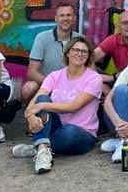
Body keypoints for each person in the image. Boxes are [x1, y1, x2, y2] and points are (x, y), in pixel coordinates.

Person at [12, 36, 103, 174]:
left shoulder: (94, 78)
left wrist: (41, 106)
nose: (79, 54)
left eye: (84, 51)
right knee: (42, 98)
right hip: (56, 127)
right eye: (75, 50)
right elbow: (35, 102)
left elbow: (74, 106)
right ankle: (43, 149)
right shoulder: (55, 76)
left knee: (69, 131)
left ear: (89, 56)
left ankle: (38, 147)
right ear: (68, 53)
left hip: (82, 134)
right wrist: (30, 116)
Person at [21, 3, 80, 103]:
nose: (65, 18)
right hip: (46, 84)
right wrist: (53, 84)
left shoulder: (80, 40)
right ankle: (29, 110)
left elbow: (89, 69)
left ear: (74, 18)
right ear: (56, 18)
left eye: (69, 15)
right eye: (62, 15)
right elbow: (31, 73)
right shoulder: (42, 38)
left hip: (71, 86)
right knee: (29, 87)